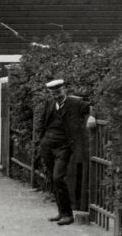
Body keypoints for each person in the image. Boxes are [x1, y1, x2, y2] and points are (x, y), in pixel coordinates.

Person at [37, 79, 96, 226]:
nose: (56, 96)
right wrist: (41, 141)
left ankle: (68, 215)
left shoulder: (74, 103)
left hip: (63, 147)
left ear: (64, 90)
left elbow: (91, 107)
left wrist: (92, 117)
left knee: (58, 178)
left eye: (58, 92)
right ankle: (61, 212)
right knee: (52, 179)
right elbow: (43, 121)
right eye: (53, 93)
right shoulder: (49, 104)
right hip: (47, 146)